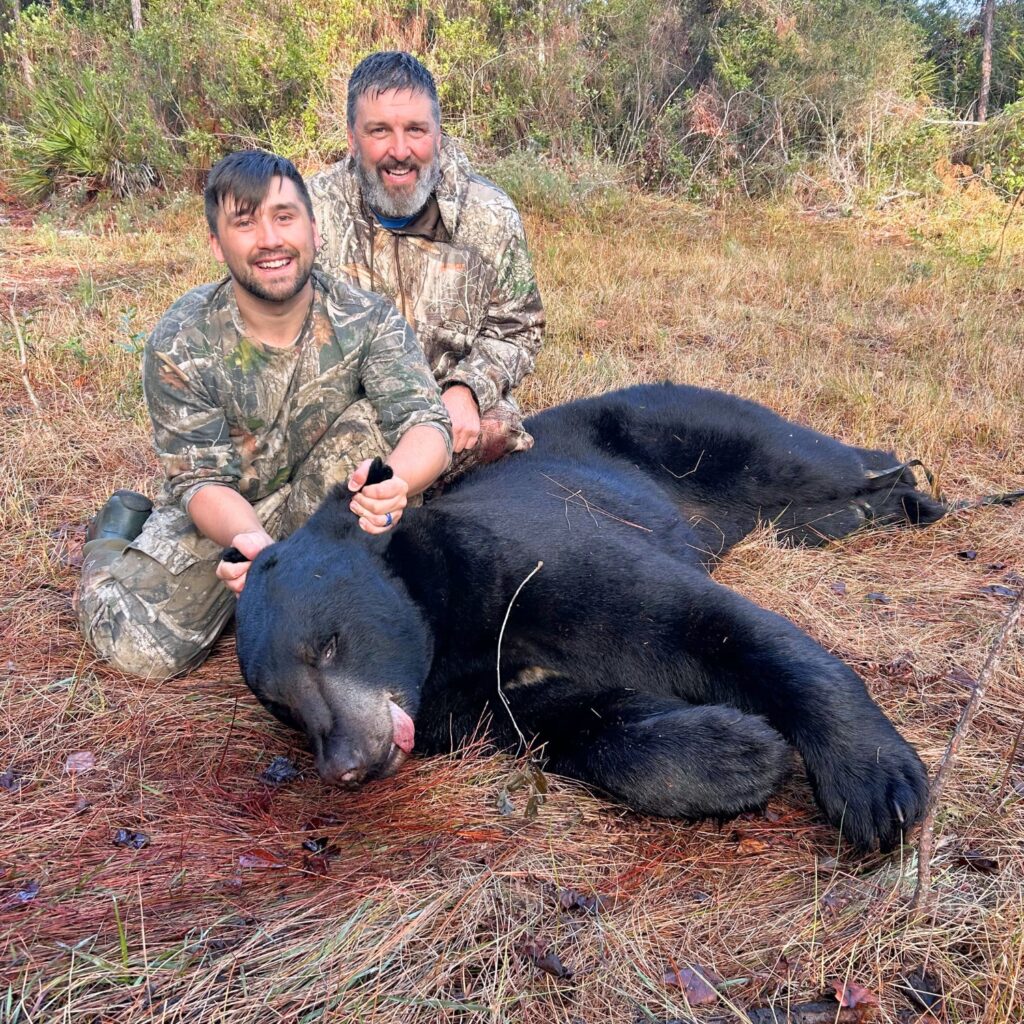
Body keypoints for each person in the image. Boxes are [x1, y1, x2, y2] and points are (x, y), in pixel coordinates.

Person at [76, 150, 452, 680]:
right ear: (216, 243)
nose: (270, 239)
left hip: (322, 492)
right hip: (226, 511)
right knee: (142, 651)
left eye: (284, 216)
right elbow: (201, 481)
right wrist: (254, 547)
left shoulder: (368, 318)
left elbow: (426, 423)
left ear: (313, 230)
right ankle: (111, 541)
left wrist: (398, 483)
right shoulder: (182, 339)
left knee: (381, 435)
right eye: (245, 222)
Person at [308, 51, 544, 476]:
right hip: (344, 414)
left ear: (437, 135)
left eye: (415, 130)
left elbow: (518, 328)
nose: (400, 151)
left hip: (451, 415)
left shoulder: (489, 214)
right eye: (379, 130)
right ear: (352, 137)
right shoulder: (309, 212)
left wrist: (468, 388)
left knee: (498, 436)